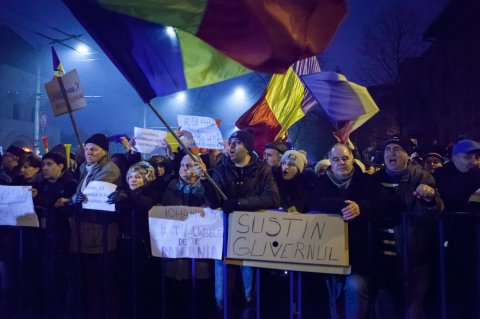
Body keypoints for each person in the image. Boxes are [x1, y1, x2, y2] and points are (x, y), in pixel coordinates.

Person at [197, 129, 280, 317]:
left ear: (248, 148)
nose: (231, 146)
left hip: (251, 241)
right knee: (222, 295)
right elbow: (214, 202)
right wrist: (205, 180)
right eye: (230, 142)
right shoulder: (221, 169)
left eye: (237, 143)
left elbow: (273, 198)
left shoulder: (262, 170)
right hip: (224, 240)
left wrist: (240, 203)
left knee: (249, 294)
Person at [307, 143, 394, 319]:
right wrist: (342, 205)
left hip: (359, 258)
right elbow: (310, 203)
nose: (341, 163)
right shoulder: (319, 183)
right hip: (326, 255)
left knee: (355, 288)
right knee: (326, 293)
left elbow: (385, 203)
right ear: (330, 161)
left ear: (352, 158)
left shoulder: (367, 181)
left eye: (345, 158)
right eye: (336, 159)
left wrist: (361, 207)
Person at [375, 136, 443, 319]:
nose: (391, 153)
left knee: (413, 308)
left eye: (397, 149)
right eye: (388, 149)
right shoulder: (374, 180)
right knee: (385, 306)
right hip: (383, 256)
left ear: (407, 155)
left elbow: (433, 213)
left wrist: (429, 199)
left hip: (412, 257)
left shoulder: (422, 177)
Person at [56, 133, 122, 318]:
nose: (89, 152)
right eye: (87, 148)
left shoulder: (109, 169)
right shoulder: (87, 167)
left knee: (96, 282)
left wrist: (70, 200)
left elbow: (89, 196)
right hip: (83, 231)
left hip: (98, 231)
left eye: (94, 149)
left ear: (104, 151)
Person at [161, 154, 214, 319]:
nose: (185, 169)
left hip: (199, 256)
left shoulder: (208, 185)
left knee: (198, 298)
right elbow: (171, 205)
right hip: (175, 254)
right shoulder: (171, 185)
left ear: (200, 168)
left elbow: (213, 202)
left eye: (190, 165)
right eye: (183, 165)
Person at [434, 139, 480, 318]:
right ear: (454, 157)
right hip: (448, 242)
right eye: (468, 157)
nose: (474, 162)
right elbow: (450, 196)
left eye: (477, 157)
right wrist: (472, 179)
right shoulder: (441, 174)